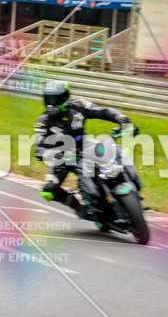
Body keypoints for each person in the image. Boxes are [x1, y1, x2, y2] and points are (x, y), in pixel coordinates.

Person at [33, 81, 142, 219]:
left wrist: (121, 118)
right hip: (62, 157)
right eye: (48, 100)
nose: (51, 104)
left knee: (116, 150)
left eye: (54, 100)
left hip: (84, 144)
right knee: (49, 190)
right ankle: (76, 206)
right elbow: (40, 148)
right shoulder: (43, 121)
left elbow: (103, 111)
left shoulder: (79, 106)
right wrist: (54, 154)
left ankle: (133, 185)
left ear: (64, 98)